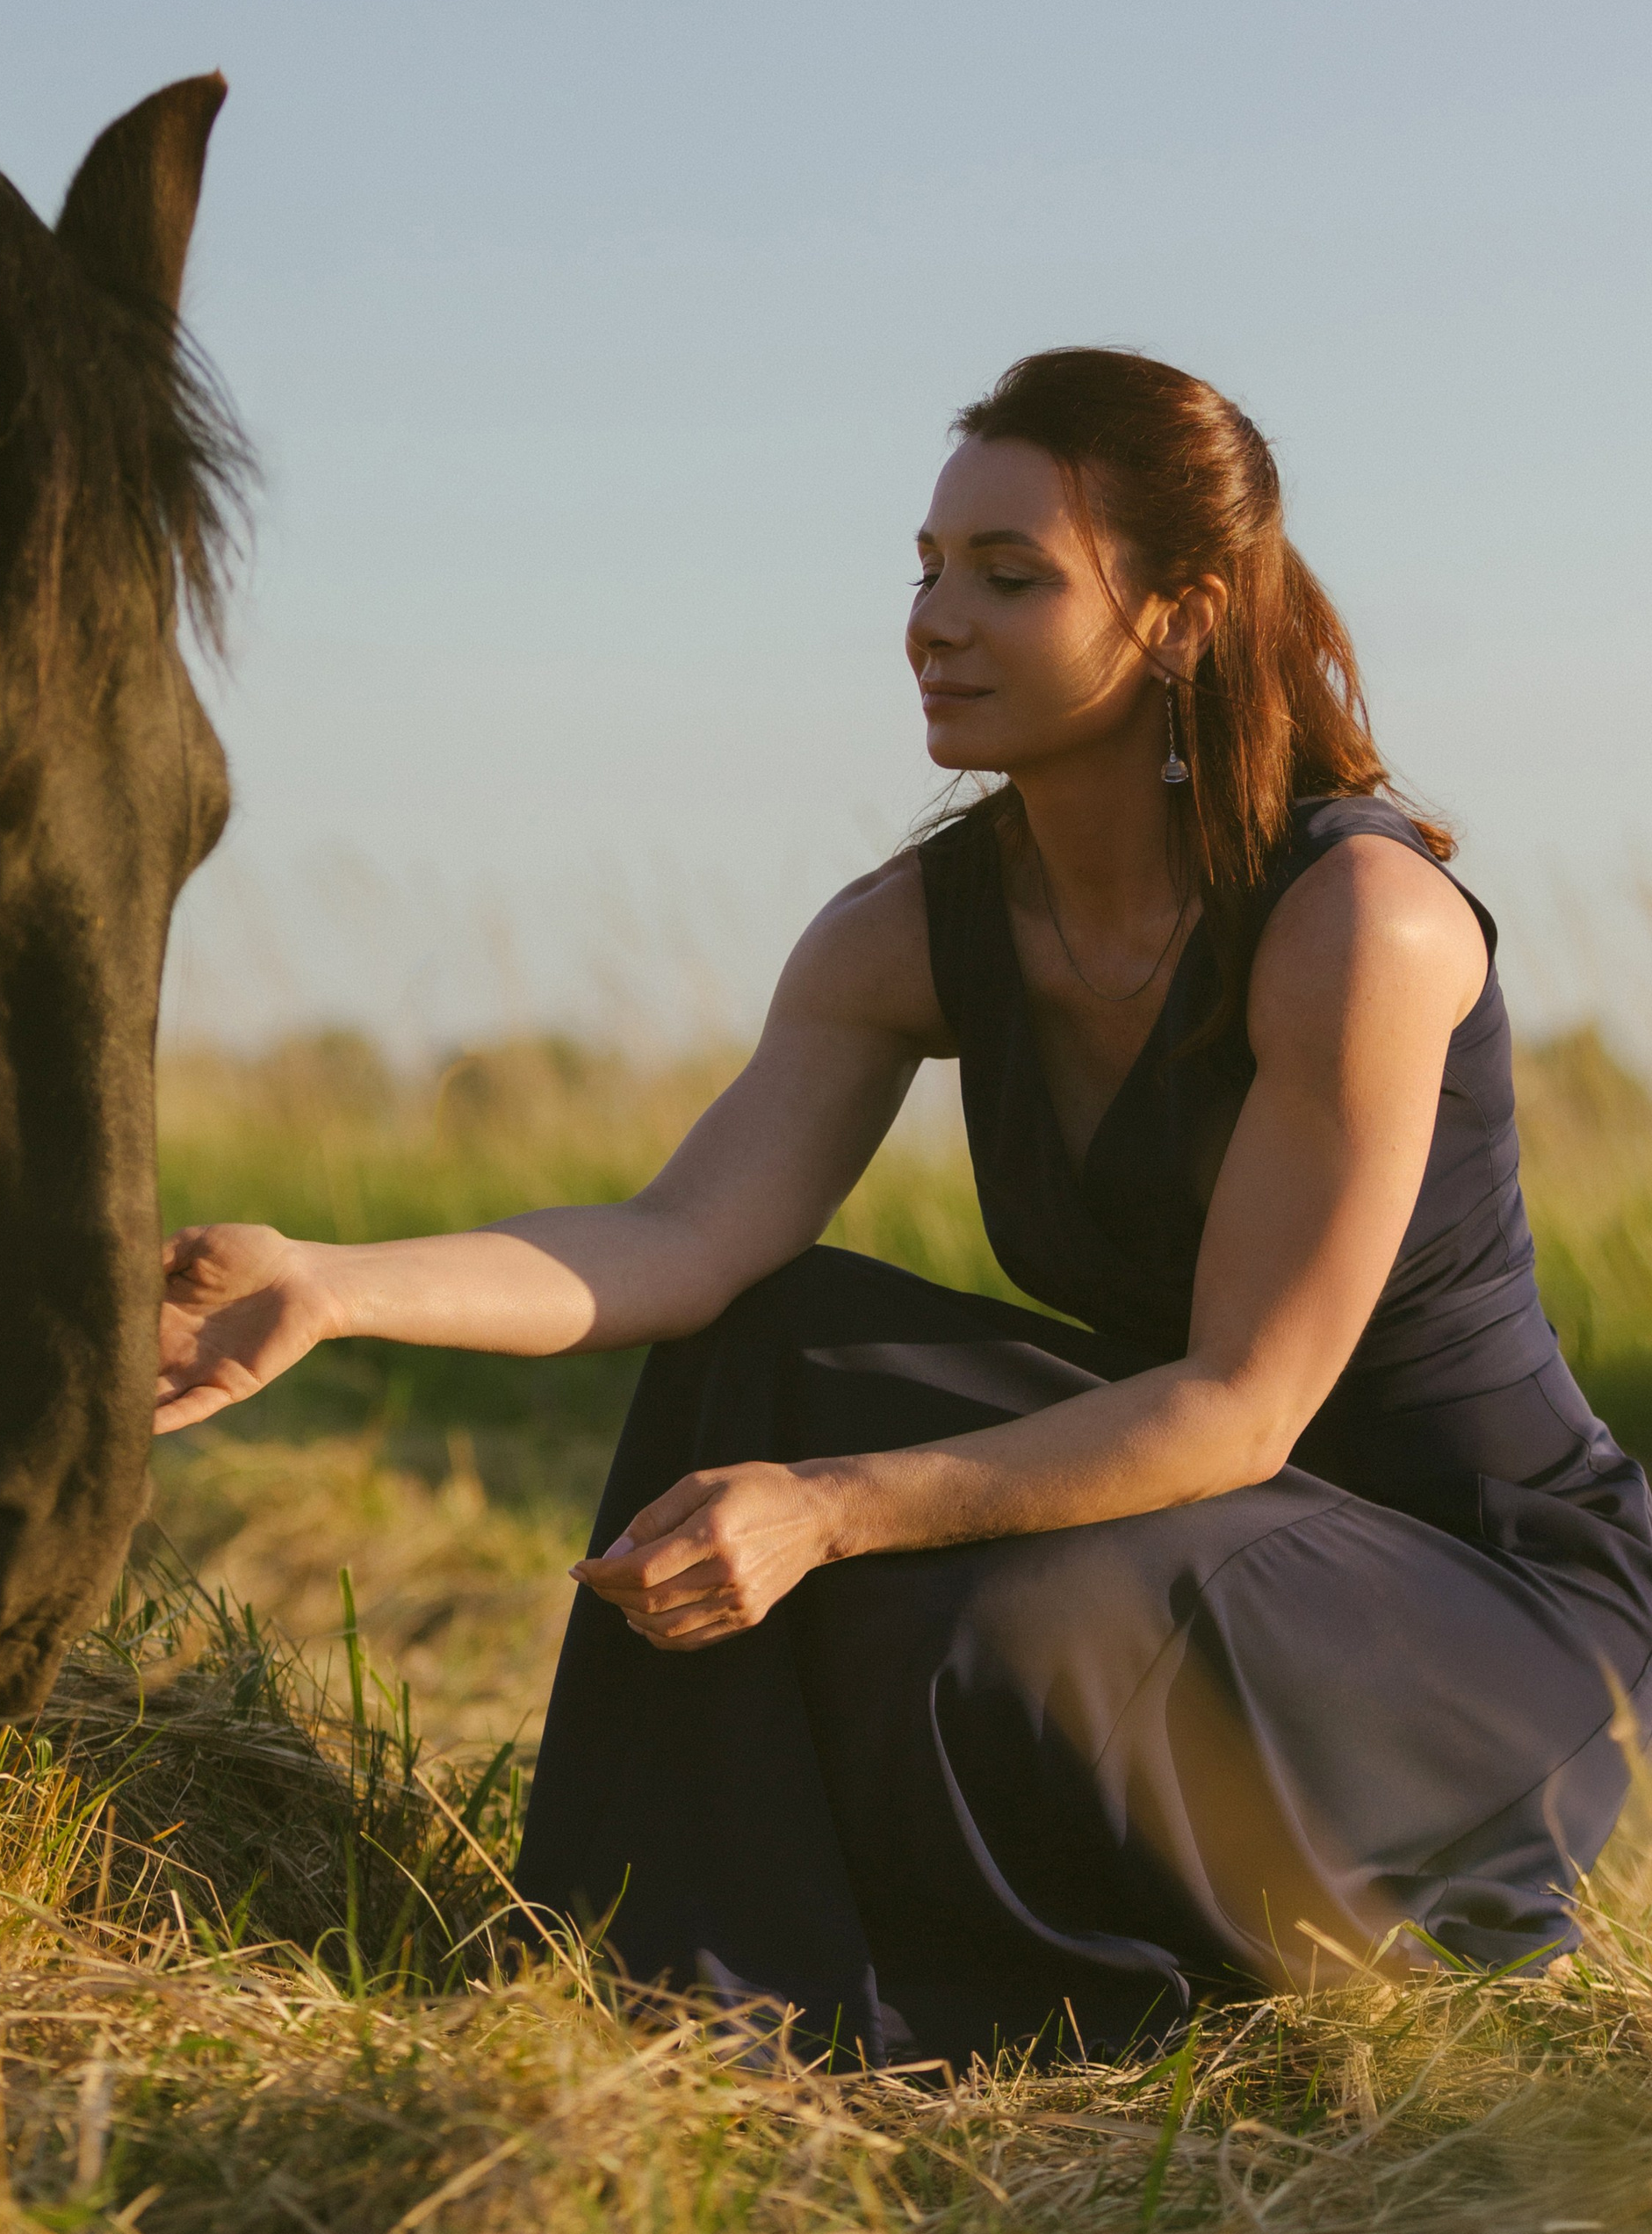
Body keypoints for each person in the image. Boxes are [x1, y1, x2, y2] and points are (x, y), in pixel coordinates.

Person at [154, 347, 1652, 2069]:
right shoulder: (906, 930)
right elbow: (675, 1242)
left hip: (1475, 1625)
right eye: (927, 568)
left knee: (993, 1612)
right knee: (769, 1329)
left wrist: (832, 1510)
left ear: (1174, 621)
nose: (933, 620)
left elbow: (1241, 1401)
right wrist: (333, 1284)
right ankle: (669, 1974)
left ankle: (1223, 1965)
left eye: (1008, 578)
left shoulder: (1354, 923)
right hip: (1195, 1538)